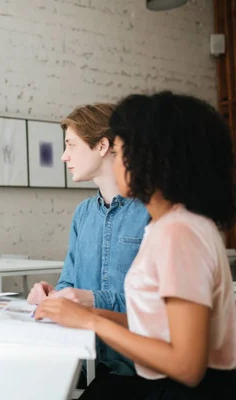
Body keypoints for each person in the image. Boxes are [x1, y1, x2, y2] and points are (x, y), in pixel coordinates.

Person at [36, 91, 236, 399]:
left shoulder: (180, 233)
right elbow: (156, 326)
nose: (116, 161)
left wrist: (90, 317)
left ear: (152, 158)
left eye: (120, 150)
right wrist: (81, 313)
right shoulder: (168, 226)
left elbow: (186, 366)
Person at [27, 103, 150, 378]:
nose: (63, 156)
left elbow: (158, 309)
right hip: (84, 362)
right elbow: (69, 282)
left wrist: (92, 299)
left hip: (139, 369)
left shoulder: (151, 213)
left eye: (71, 145)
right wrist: (54, 296)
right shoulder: (83, 214)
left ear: (102, 146)